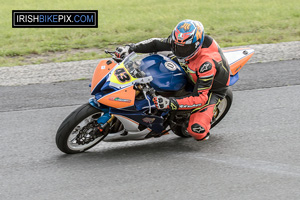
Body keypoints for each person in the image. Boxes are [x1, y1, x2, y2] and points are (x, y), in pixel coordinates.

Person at [115, 19, 230, 141]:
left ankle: (205, 123)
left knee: (197, 130)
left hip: (212, 89)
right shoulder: (180, 40)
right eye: (177, 46)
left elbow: (201, 98)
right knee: (152, 63)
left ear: (197, 44)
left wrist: (170, 103)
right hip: (188, 66)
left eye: (185, 48)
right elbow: (156, 43)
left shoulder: (206, 64)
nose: (180, 50)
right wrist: (130, 48)